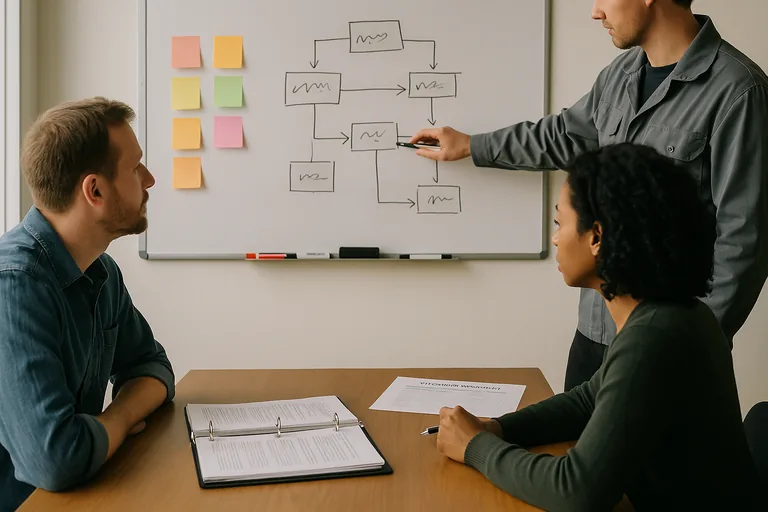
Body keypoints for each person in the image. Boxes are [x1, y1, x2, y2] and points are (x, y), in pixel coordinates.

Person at [409, 0, 768, 390]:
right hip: (595, 333)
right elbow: (564, 135)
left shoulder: (739, 91)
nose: (595, 12)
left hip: (667, 348)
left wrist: (692, 343)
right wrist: (472, 145)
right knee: (570, 446)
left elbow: (744, 242)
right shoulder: (621, 74)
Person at [433, 143, 761, 511]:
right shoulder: (673, 314)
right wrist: (499, 429)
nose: (555, 238)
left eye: (560, 223)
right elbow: (589, 399)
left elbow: (577, 492)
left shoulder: (654, 336)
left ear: (597, 237)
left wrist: (475, 447)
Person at [0, 98, 175, 512]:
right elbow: (56, 460)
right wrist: (119, 420)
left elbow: (154, 369)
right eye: (135, 167)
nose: (149, 180)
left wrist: (108, 423)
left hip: (87, 493)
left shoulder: (102, 272)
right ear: (94, 190)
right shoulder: (13, 287)